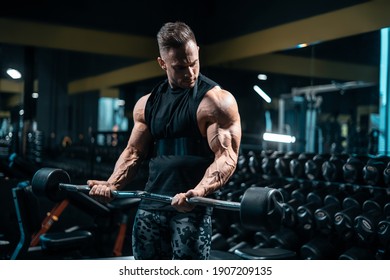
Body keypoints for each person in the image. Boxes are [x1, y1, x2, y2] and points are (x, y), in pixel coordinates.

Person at [87, 21, 241, 260]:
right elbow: (134, 152)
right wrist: (112, 184)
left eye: (193, 63)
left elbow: (227, 156)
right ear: (162, 64)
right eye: (180, 67)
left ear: (198, 51)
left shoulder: (216, 102)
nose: (190, 73)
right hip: (150, 204)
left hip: (190, 210)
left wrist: (198, 191)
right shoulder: (147, 104)